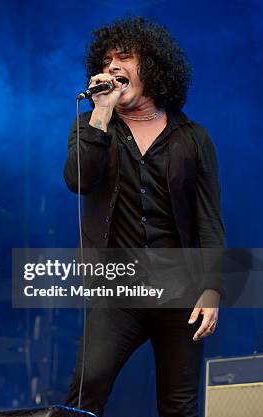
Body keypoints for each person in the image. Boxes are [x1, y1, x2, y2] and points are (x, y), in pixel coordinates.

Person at [63, 17, 224, 417]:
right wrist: (101, 114)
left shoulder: (193, 137)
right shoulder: (91, 125)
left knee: (178, 404)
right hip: (117, 289)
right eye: (107, 59)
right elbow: (77, 180)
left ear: (151, 66)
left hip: (181, 290)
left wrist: (213, 289)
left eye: (126, 57)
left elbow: (209, 220)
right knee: (87, 389)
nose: (114, 66)